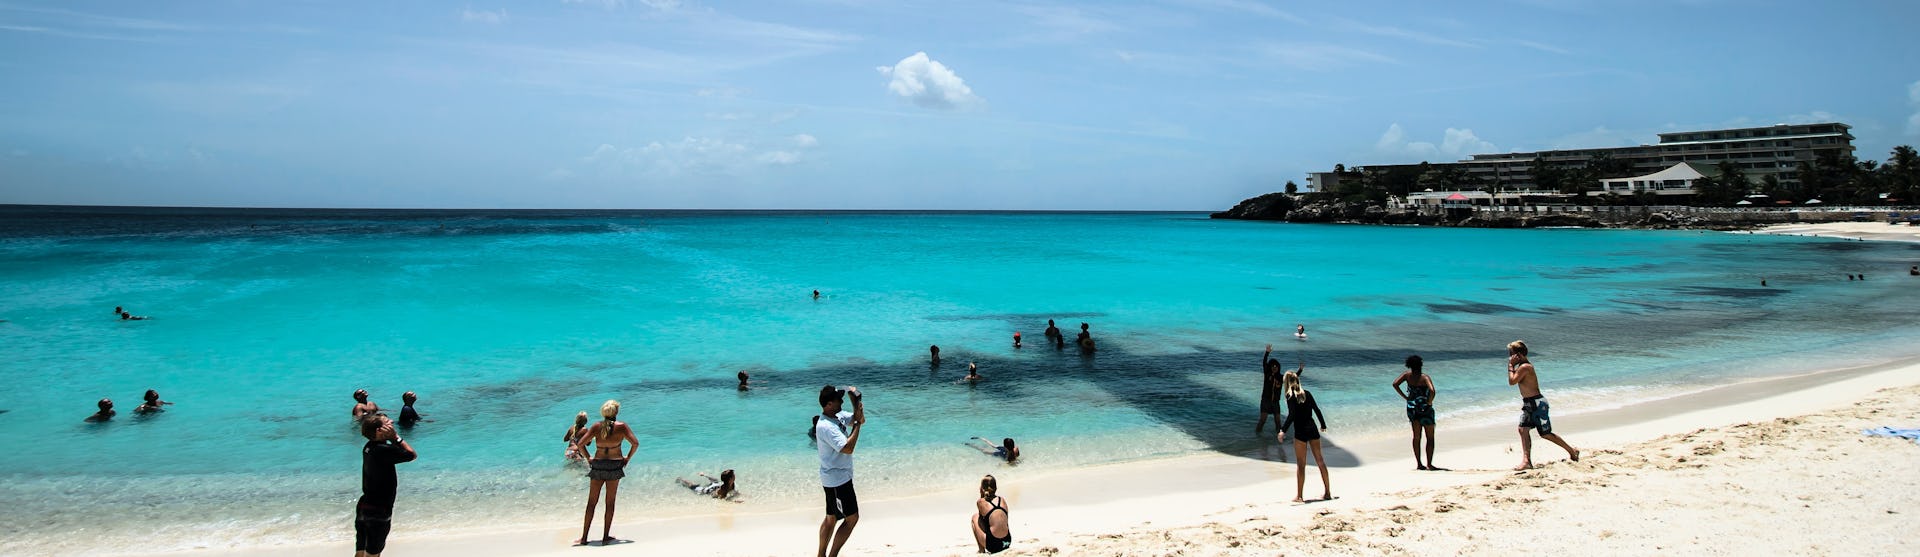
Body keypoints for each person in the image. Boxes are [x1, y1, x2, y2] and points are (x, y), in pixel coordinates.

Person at [571, 400, 639, 546]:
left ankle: (584, 538)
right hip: (614, 466)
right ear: (616, 412)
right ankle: (605, 536)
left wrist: (588, 458)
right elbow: (635, 443)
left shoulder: (596, 426)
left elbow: (581, 444)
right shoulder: (622, 427)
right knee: (610, 502)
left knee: (591, 502)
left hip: (598, 465)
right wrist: (627, 458)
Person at [1507, 340, 1579, 470]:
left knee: (1545, 434)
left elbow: (1512, 381)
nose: (1510, 357)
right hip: (1529, 403)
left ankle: (1572, 450)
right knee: (1523, 430)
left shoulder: (1525, 367)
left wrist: (1510, 365)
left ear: (1518, 355)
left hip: (1537, 403)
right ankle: (1526, 461)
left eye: (1511, 354)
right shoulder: (1522, 367)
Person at [354, 413, 417, 557]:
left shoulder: (369, 447)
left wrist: (390, 439)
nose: (392, 422)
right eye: (388, 423)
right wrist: (396, 438)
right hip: (379, 509)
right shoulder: (383, 450)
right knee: (373, 554)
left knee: (361, 552)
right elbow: (411, 455)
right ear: (379, 431)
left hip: (365, 505)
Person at [815, 385, 866, 557]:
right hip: (838, 480)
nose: (841, 401)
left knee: (831, 518)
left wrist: (856, 400)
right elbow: (848, 448)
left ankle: (821, 555)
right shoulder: (826, 426)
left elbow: (860, 418)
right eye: (838, 399)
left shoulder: (838, 415)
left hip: (834, 477)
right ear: (829, 404)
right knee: (852, 518)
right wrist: (857, 425)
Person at [1279, 371, 1330, 502]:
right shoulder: (1307, 393)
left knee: (1301, 465)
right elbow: (1316, 409)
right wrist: (1323, 424)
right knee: (1320, 461)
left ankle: (1300, 496)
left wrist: (1283, 430)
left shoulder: (1290, 396)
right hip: (1312, 429)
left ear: (1287, 382)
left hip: (1301, 431)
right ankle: (1328, 492)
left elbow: (1292, 415)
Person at [1391, 355, 1438, 470]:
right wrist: (1429, 402)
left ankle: (1419, 464)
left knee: (1416, 437)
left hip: (1412, 408)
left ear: (1409, 365)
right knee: (1430, 437)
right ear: (1421, 365)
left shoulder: (1407, 375)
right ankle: (1429, 464)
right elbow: (1432, 390)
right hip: (1425, 409)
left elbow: (1395, 384)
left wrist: (1406, 397)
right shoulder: (1424, 377)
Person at [969, 475, 1013, 554]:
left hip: (993, 545)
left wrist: (982, 495)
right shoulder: (1002, 500)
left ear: (982, 488)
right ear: (996, 488)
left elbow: (982, 520)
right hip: (1007, 542)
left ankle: (981, 550)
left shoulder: (980, 502)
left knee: (975, 517)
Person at [1255, 344, 1283, 435]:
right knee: (1263, 420)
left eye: (1276, 366)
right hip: (1265, 400)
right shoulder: (1267, 374)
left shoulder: (1281, 377)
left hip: (1275, 402)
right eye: (1273, 366)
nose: (1274, 368)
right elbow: (1264, 363)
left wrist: (1300, 370)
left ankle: (1279, 437)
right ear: (1270, 367)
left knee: (1278, 421)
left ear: (1278, 367)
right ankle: (1257, 436)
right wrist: (1267, 353)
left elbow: (1292, 377)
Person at [676, 469, 742, 501]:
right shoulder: (722, 490)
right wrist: (733, 501)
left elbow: (735, 492)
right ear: (730, 479)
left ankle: (704, 475)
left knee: (715, 480)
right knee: (694, 486)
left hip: (716, 484)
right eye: (733, 475)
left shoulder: (731, 484)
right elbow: (720, 499)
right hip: (708, 490)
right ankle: (680, 479)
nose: (735, 475)